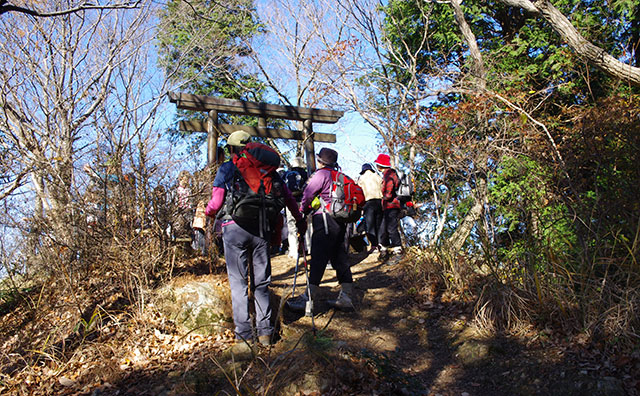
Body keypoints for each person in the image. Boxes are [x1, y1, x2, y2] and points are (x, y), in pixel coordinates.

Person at [205, 131, 306, 348]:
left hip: (234, 229)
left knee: (239, 283)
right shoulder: (268, 170)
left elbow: (216, 202)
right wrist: (299, 219)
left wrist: (208, 213)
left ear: (231, 149)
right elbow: (287, 198)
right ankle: (265, 334)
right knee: (261, 283)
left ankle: (244, 337)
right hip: (262, 230)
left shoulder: (227, 168)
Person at [287, 147, 355, 312]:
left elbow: (308, 194)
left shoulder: (321, 174)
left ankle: (307, 301)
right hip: (341, 220)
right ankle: (346, 297)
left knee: (318, 259)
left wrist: (301, 212)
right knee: (340, 258)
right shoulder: (341, 176)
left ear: (320, 161)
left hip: (324, 220)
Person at [374, 153, 403, 260]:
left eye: (377, 164)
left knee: (391, 228)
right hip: (390, 206)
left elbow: (388, 193)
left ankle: (397, 251)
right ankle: (384, 250)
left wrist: (384, 197)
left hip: (391, 206)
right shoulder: (391, 173)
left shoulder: (388, 175)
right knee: (384, 229)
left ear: (381, 165)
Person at [283, 157, 308, 259]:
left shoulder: (287, 174)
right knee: (306, 224)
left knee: (291, 226)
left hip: (290, 202)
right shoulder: (306, 174)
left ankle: (293, 251)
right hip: (303, 202)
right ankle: (307, 247)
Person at [356, 163, 383, 253]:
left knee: (370, 225)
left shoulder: (361, 178)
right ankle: (381, 244)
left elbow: (359, 191)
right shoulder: (377, 176)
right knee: (379, 224)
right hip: (379, 201)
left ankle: (374, 245)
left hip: (368, 202)